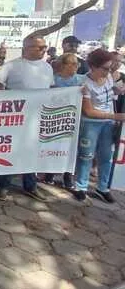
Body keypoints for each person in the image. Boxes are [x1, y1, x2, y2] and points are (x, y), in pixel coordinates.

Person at [0, 35, 53, 202]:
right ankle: (4, 185)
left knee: (32, 153)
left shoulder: (48, 68)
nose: (43, 50)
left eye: (44, 47)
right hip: (15, 119)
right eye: (39, 47)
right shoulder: (11, 66)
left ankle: (31, 186)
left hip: (38, 118)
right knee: (11, 151)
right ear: (26, 48)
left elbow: (52, 90)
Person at [72, 49, 125, 203]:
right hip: (91, 124)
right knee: (86, 155)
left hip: (107, 124)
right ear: (93, 66)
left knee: (106, 157)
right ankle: (80, 186)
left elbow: (110, 91)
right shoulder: (85, 84)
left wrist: (116, 89)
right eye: (105, 68)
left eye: (110, 67)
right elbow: (88, 111)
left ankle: (103, 187)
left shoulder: (108, 76)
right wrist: (115, 116)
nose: (109, 71)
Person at [43, 53, 85, 188]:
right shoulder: (53, 80)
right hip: (56, 119)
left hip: (74, 120)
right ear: (63, 65)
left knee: (71, 149)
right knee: (54, 146)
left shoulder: (81, 80)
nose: (75, 66)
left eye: (76, 63)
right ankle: (49, 174)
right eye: (71, 63)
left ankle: (68, 176)